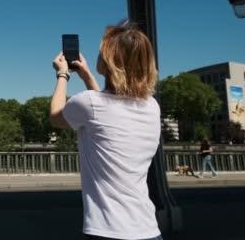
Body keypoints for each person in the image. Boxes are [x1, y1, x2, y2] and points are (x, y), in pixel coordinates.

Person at [49, 22, 162, 240]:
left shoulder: (89, 103)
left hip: (107, 232)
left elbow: (55, 116)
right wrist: (87, 76)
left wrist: (63, 75)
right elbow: (105, 111)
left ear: (107, 64)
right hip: (149, 230)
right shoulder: (152, 106)